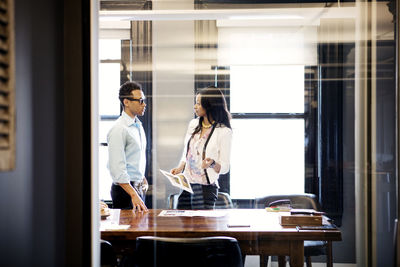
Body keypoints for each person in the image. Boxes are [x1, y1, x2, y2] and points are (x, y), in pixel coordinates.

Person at [171, 86, 232, 209]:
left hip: (205, 189)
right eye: (195, 103)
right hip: (187, 184)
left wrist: (213, 164)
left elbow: (225, 167)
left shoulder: (223, 131)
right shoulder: (193, 124)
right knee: (181, 224)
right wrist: (181, 166)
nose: (195, 106)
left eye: (198, 103)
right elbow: (187, 151)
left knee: (201, 226)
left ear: (209, 105)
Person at [107, 81, 148, 212]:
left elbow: (134, 158)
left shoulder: (138, 126)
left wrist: (142, 177)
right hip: (125, 192)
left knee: (140, 230)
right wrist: (133, 194)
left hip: (137, 189)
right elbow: (117, 169)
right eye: (140, 101)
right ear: (126, 102)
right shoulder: (119, 129)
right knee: (129, 231)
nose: (144, 104)